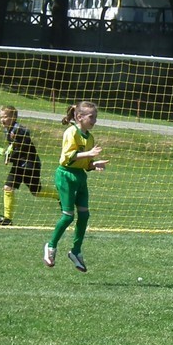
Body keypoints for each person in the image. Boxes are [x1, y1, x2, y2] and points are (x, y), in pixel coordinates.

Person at [43, 101, 108, 272]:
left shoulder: (90, 137)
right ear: (79, 117)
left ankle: (76, 251)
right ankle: (50, 247)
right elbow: (68, 157)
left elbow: (86, 164)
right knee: (68, 215)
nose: (94, 121)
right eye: (91, 117)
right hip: (65, 175)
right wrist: (89, 154)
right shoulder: (71, 132)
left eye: (96, 117)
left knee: (85, 215)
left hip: (80, 176)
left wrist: (95, 164)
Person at [0, 105, 57, 226]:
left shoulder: (17, 129)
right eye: (0, 117)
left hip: (29, 165)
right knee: (8, 187)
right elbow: (15, 147)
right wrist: (8, 154)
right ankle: (7, 219)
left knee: (36, 191)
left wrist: (13, 150)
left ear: (13, 117)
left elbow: (25, 133)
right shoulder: (7, 130)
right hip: (19, 164)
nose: (2, 120)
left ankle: (60, 196)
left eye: (5, 117)